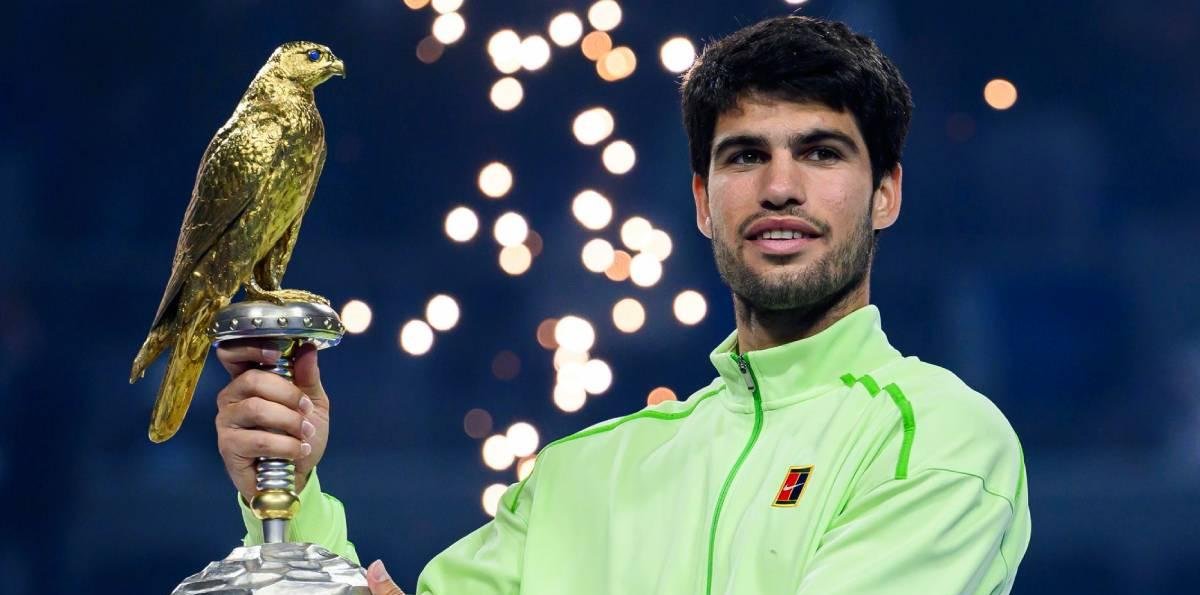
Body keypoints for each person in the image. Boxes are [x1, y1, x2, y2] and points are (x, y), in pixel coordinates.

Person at [212, 15, 1030, 594]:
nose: (781, 187)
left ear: (886, 193)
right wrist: (288, 490)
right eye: (746, 156)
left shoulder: (938, 441)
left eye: (821, 152)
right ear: (705, 202)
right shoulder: (581, 473)